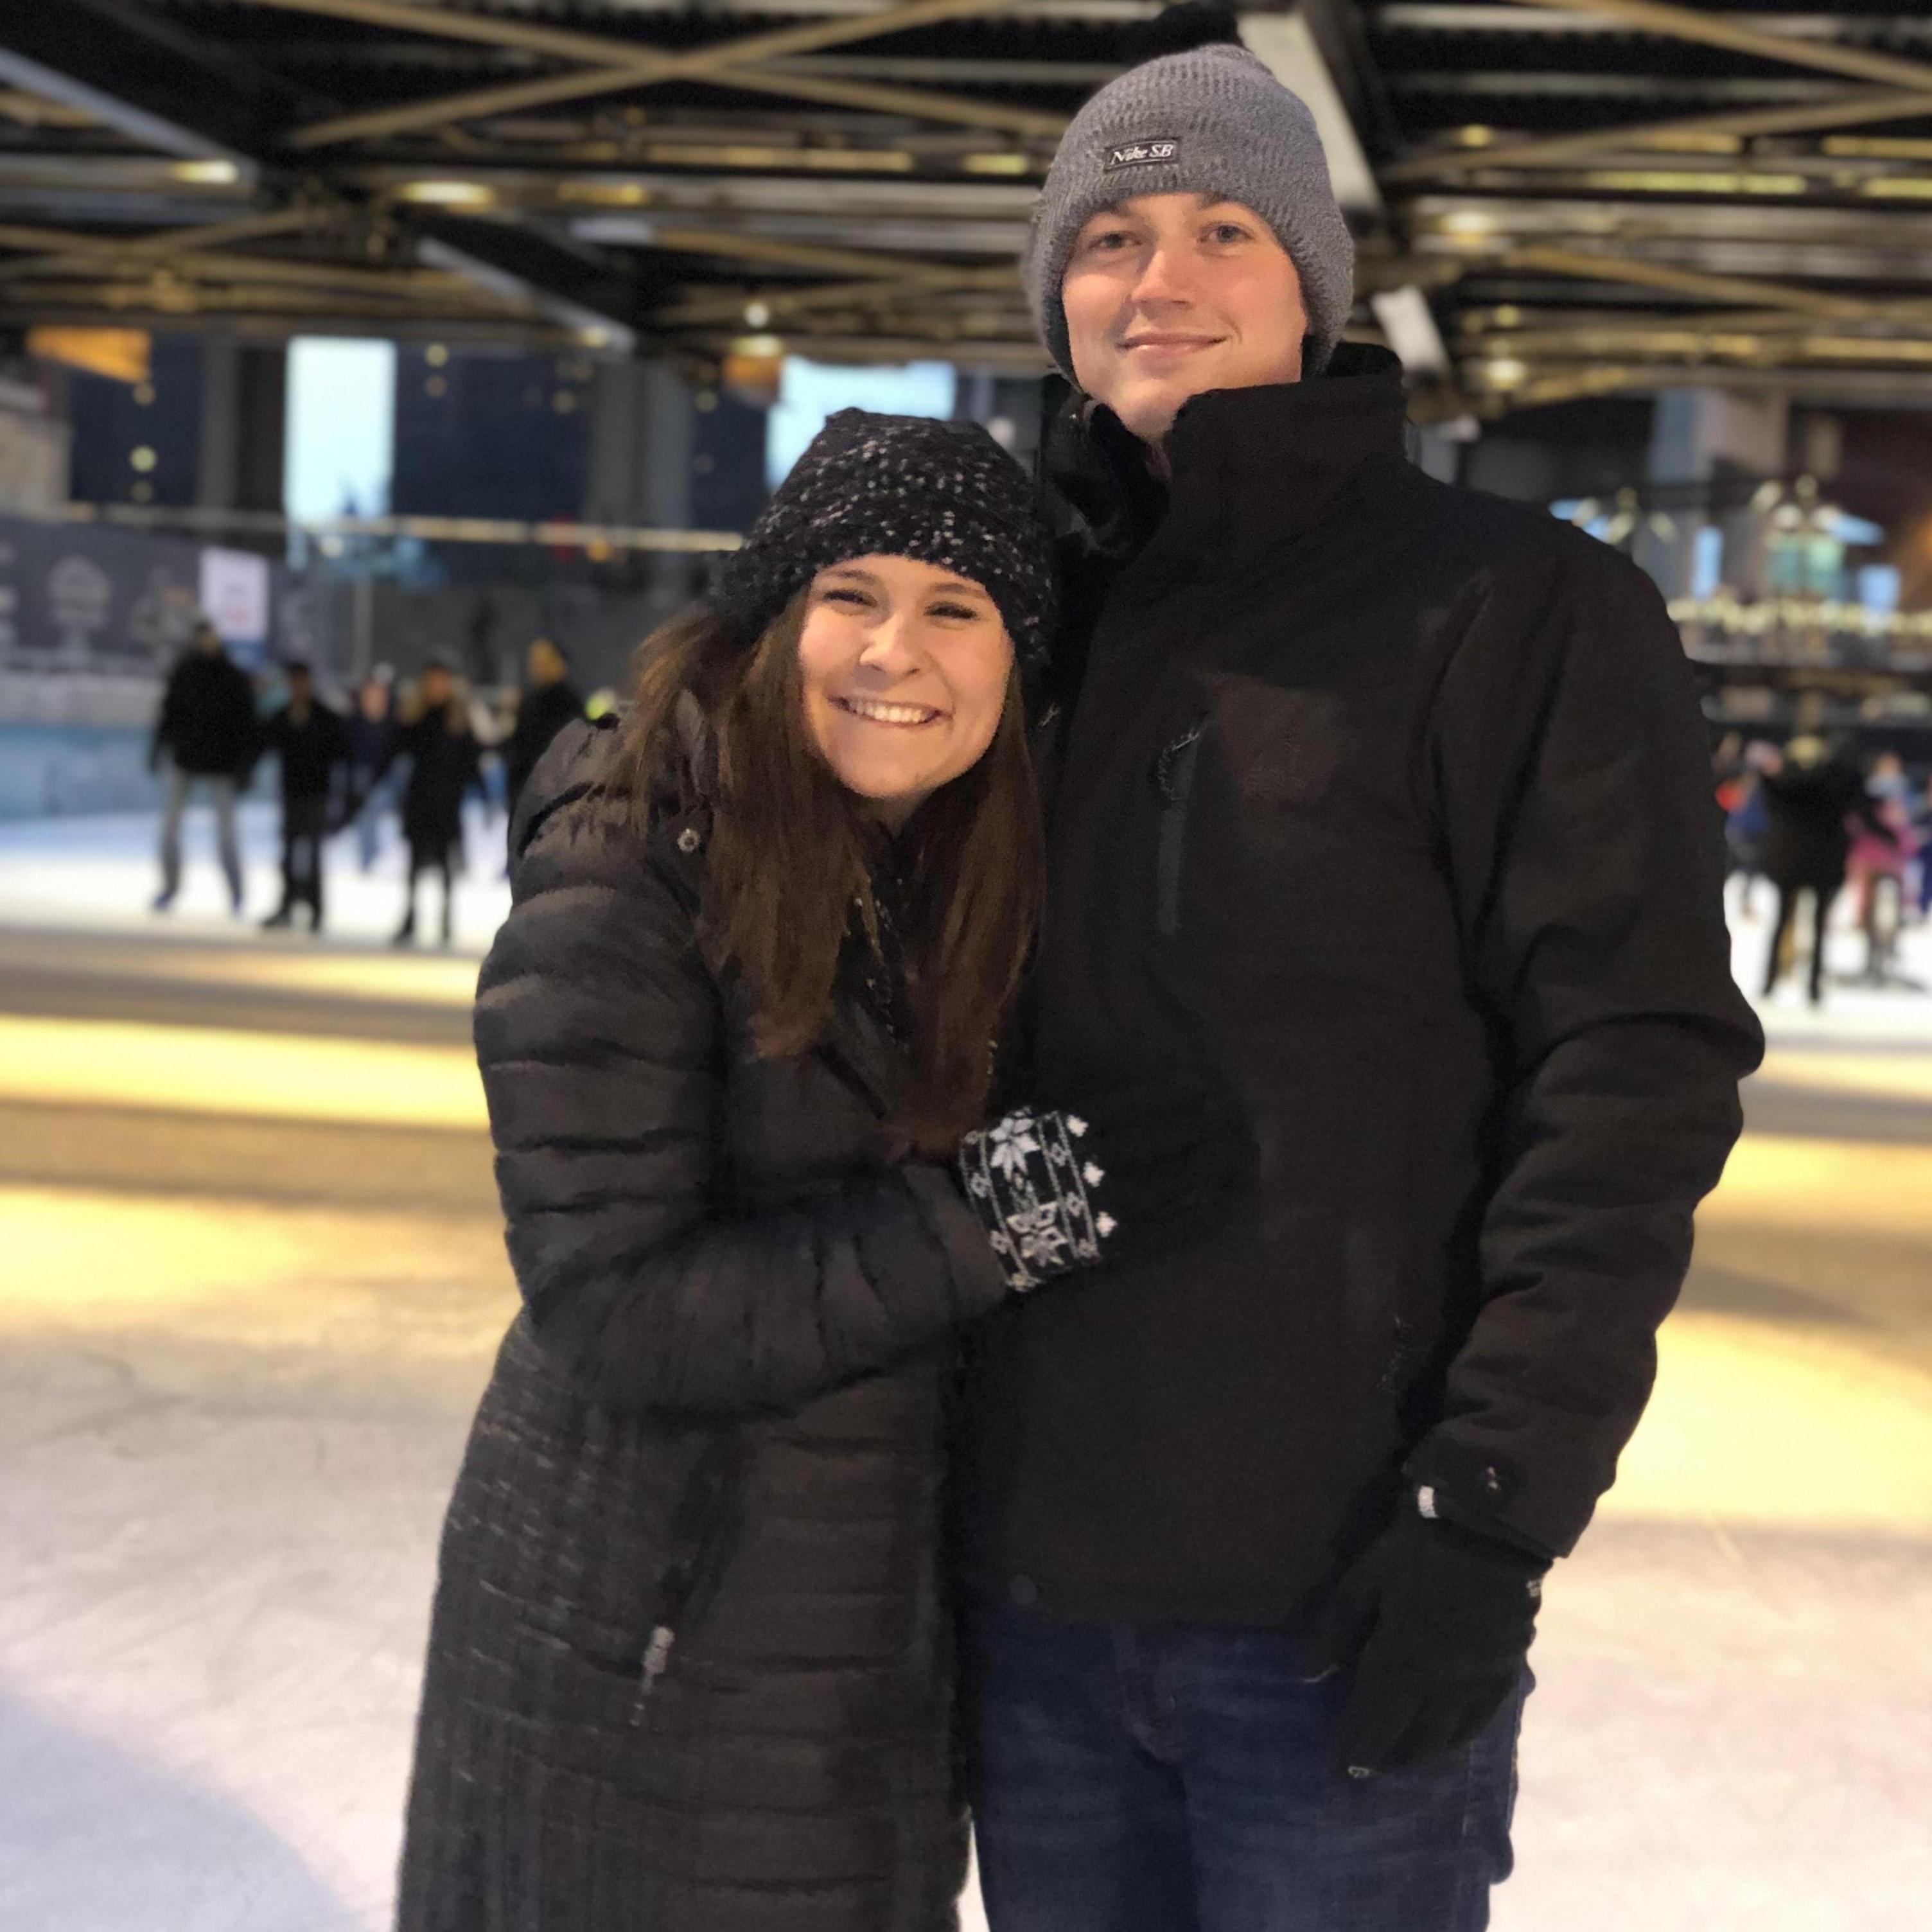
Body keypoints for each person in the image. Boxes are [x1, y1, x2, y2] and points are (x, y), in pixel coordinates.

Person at [952, 15, 1766, 1931]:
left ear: (1311, 285)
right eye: (1109, 238)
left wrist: (1489, 1509)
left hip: (1328, 1590)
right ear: (1057, 296)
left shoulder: (1514, 609)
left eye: (1222, 229)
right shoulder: (1016, 617)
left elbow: (1631, 1070)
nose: (1159, 278)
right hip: (1028, 1594)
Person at [395, 413, 1224, 1931]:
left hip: (861, 1644)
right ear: (774, 619)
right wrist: (1003, 1214)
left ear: (1016, 664)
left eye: (955, 607)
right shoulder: (633, 856)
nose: (894, 650)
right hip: (654, 1636)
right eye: (852, 594)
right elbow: (617, 1305)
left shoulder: (954, 870)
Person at [1760, 734, 1896, 1004]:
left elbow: (1772, 804)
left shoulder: (1785, 781)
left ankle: (1769, 982)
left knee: (1781, 920)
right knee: (1818, 925)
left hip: (1790, 859)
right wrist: (1889, 835)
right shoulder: (1840, 781)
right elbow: (1863, 810)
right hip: (1824, 859)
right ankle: (1812, 987)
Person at [149, 618, 258, 914]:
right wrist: (158, 748)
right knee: (170, 828)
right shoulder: (185, 672)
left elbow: (246, 725)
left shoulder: (232, 677)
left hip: (222, 765)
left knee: (227, 834)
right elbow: (169, 712)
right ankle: (170, 886)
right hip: (186, 759)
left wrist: (244, 767)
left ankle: (236, 892)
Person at [380, 660, 483, 947]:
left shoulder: (459, 717)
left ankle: (445, 921)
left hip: (447, 801)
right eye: (432, 680)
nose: (436, 686)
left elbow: (471, 759)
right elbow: (394, 748)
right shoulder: (416, 715)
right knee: (414, 863)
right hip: (420, 799)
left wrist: (483, 793)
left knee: (447, 863)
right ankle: (410, 918)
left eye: (441, 680)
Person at [257, 662, 350, 933]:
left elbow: (341, 748)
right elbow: (264, 739)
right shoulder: (284, 716)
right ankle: (287, 906)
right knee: (289, 853)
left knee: (313, 855)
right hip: (292, 794)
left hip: (317, 794)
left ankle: (316, 910)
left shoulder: (324, 717)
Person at [500, 635, 585, 829]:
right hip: (525, 800)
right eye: (534, 661)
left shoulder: (569, 703)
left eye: (544, 661)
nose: (537, 667)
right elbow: (517, 748)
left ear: (560, 663)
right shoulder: (528, 702)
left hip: (553, 803)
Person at [345, 672, 396, 872]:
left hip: (388, 780)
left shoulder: (394, 724)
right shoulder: (354, 724)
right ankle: (368, 858)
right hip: (360, 779)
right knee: (365, 810)